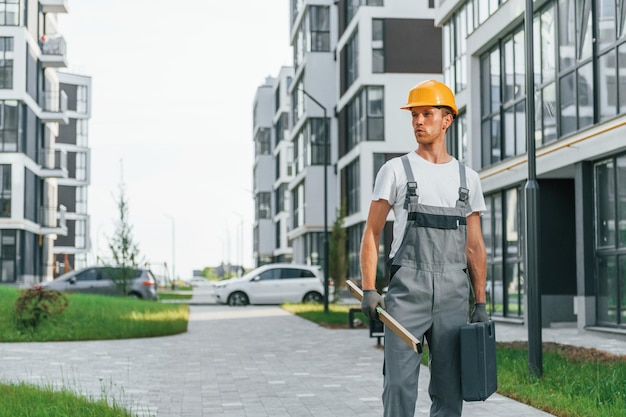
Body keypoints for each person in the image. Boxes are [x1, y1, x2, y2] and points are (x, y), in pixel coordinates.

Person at [359, 79, 488, 417]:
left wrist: (480, 301)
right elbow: (371, 233)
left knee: (449, 390)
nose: (418, 121)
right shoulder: (395, 171)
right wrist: (369, 288)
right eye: (414, 115)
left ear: (447, 120)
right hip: (407, 295)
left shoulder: (467, 179)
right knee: (399, 386)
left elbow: (474, 246)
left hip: (453, 296)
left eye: (426, 114)